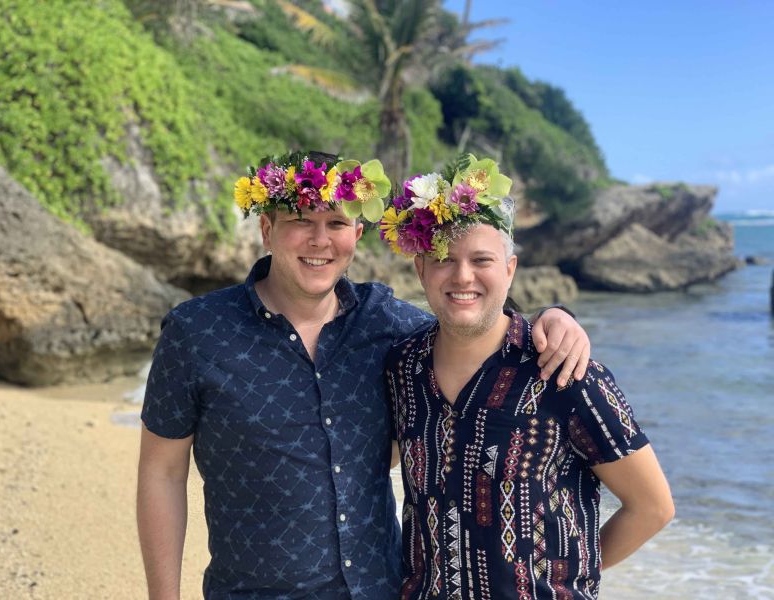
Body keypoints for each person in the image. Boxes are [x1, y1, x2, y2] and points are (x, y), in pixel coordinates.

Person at [136, 151, 592, 600]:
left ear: (357, 233)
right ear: (266, 230)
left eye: (336, 223)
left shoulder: (389, 326)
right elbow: (162, 472)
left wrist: (553, 318)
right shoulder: (197, 331)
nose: (320, 240)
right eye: (300, 221)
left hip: (383, 588)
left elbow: (475, 328)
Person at [383, 155, 675, 599]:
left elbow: (653, 507)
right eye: (444, 259)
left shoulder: (564, 371)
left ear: (510, 269)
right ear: (421, 269)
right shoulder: (403, 367)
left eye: (481, 259)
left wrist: (567, 580)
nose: (463, 276)